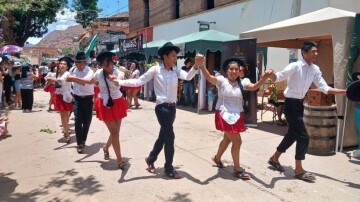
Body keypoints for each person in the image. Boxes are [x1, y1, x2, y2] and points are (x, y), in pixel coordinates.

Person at [117, 42, 200, 179]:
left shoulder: (176, 70)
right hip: (161, 108)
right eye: (173, 56)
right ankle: (168, 168)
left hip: (172, 108)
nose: (175, 59)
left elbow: (188, 76)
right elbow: (138, 81)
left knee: (163, 136)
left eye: (176, 56)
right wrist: (119, 82)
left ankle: (150, 159)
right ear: (165, 56)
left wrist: (196, 66)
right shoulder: (155, 70)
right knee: (170, 137)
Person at [267, 41, 346, 182]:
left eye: (316, 51)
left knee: (292, 134)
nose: (316, 54)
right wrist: (270, 74)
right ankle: (298, 169)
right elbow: (278, 77)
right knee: (303, 136)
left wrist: (345, 92)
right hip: (290, 104)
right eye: (313, 51)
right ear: (304, 52)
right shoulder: (295, 66)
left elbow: (324, 88)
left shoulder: (315, 69)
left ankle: (274, 158)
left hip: (299, 104)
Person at [198, 56, 271, 180]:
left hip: (237, 114)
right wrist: (201, 65)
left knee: (227, 139)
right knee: (237, 141)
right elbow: (210, 78)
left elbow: (253, 87)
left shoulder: (243, 82)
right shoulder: (221, 80)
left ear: (239, 71)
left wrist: (263, 78)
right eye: (231, 69)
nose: (233, 71)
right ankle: (237, 169)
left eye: (236, 69)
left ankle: (217, 158)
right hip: (224, 113)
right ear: (227, 71)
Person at [67, 51, 128, 169]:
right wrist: (74, 78)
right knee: (115, 132)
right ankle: (120, 160)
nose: (108, 68)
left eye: (109, 65)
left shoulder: (118, 72)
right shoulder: (98, 73)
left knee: (115, 132)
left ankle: (106, 147)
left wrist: (113, 78)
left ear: (113, 63)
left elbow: (118, 81)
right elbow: (88, 82)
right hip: (104, 103)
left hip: (118, 102)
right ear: (101, 65)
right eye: (104, 65)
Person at [66, 52, 94, 154]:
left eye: (81, 64)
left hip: (87, 99)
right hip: (77, 99)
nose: (79, 66)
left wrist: (73, 78)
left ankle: (83, 140)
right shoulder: (73, 70)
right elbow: (65, 78)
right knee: (78, 121)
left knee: (86, 122)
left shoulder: (89, 71)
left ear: (85, 62)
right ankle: (79, 144)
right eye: (77, 64)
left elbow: (86, 81)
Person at [47, 57, 73, 143]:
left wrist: (52, 80)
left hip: (68, 95)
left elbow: (61, 80)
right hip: (59, 96)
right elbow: (48, 77)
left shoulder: (67, 73)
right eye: (61, 64)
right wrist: (47, 78)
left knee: (67, 114)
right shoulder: (56, 74)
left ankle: (65, 129)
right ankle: (67, 133)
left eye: (64, 64)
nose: (62, 65)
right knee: (63, 114)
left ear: (67, 66)